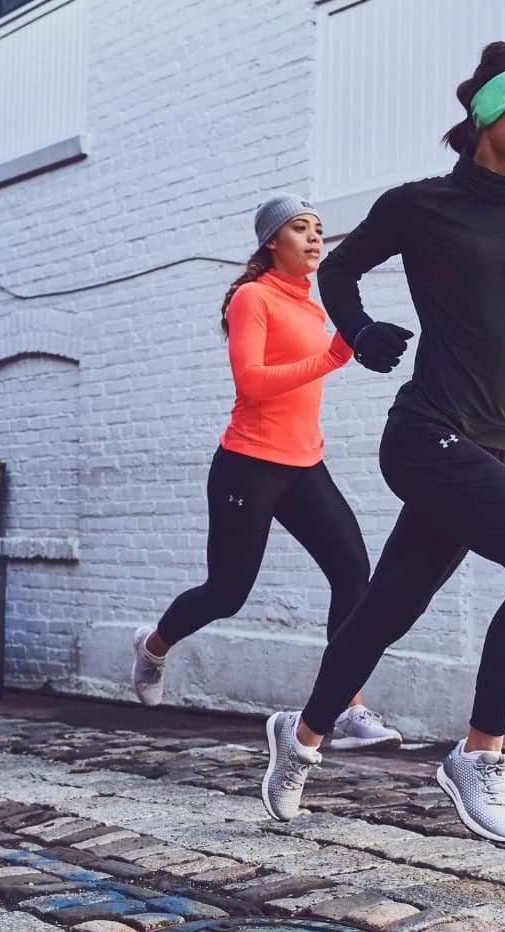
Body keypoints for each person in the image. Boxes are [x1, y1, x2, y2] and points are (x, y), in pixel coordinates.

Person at [259, 41, 505, 840]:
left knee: (388, 606)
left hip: (490, 446)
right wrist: (358, 334)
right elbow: (340, 270)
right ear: (490, 111)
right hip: (425, 432)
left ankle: (299, 738)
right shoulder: (420, 205)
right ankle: (480, 754)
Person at [131, 195, 403, 751]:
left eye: (318, 230)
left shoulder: (311, 306)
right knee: (227, 592)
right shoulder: (251, 298)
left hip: (305, 463)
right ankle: (154, 646)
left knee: (354, 573)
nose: (313, 238)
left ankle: (346, 710)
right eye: (299, 229)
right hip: (248, 465)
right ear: (270, 242)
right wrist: (330, 358)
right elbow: (251, 381)